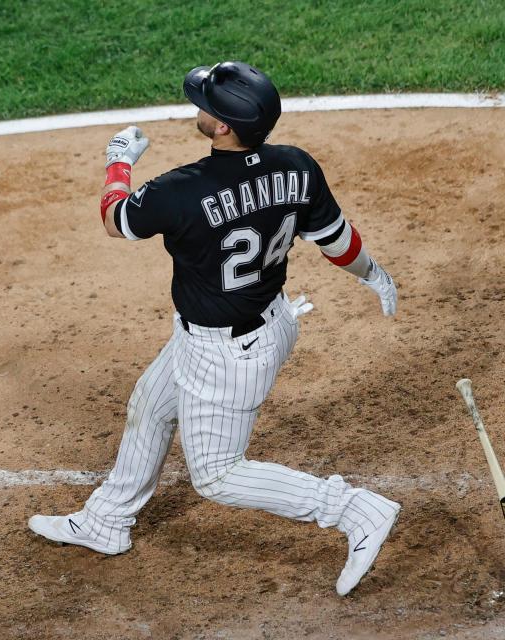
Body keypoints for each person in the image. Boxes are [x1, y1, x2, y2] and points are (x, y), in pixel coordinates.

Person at [29, 61, 400, 596]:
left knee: (218, 476)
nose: (198, 107)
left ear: (223, 127)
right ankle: (106, 520)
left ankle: (353, 509)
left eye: (205, 104)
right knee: (151, 403)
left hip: (225, 355)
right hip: (267, 320)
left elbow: (115, 219)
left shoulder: (181, 190)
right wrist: (375, 275)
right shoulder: (297, 166)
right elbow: (338, 242)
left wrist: (118, 164)